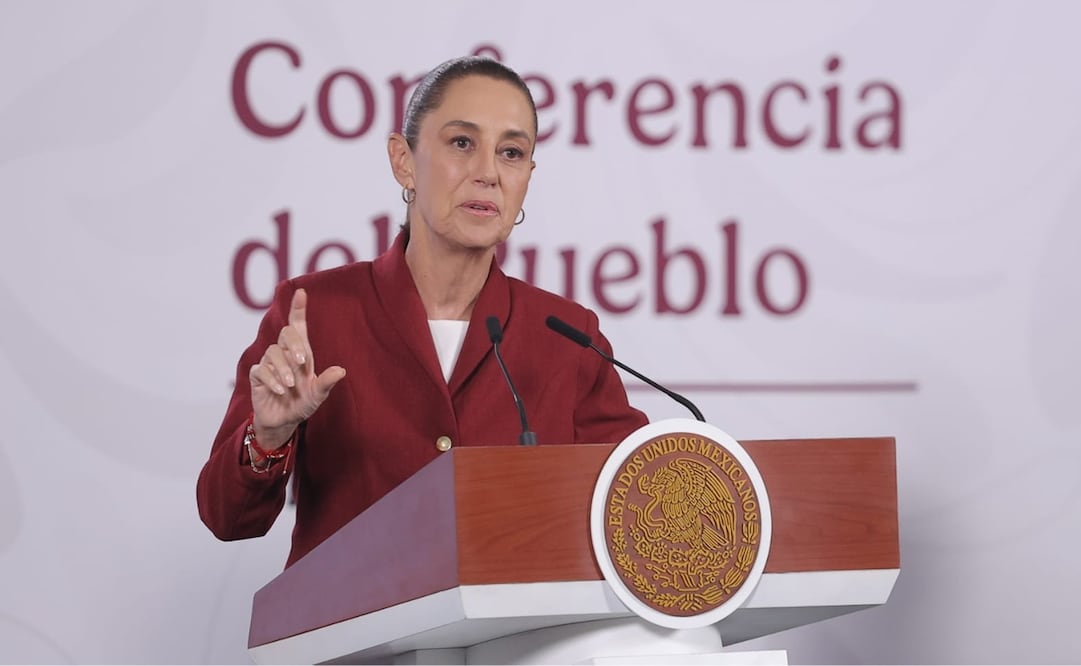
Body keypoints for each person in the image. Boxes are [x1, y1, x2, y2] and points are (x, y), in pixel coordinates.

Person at [196, 56, 648, 568]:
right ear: (403, 160)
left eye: (511, 153)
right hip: (359, 637)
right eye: (462, 143)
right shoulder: (317, 313)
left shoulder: (566, 335)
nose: (488, 173)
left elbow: (638, 503)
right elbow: (227, 518)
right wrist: (268, 437)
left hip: (513, 645)